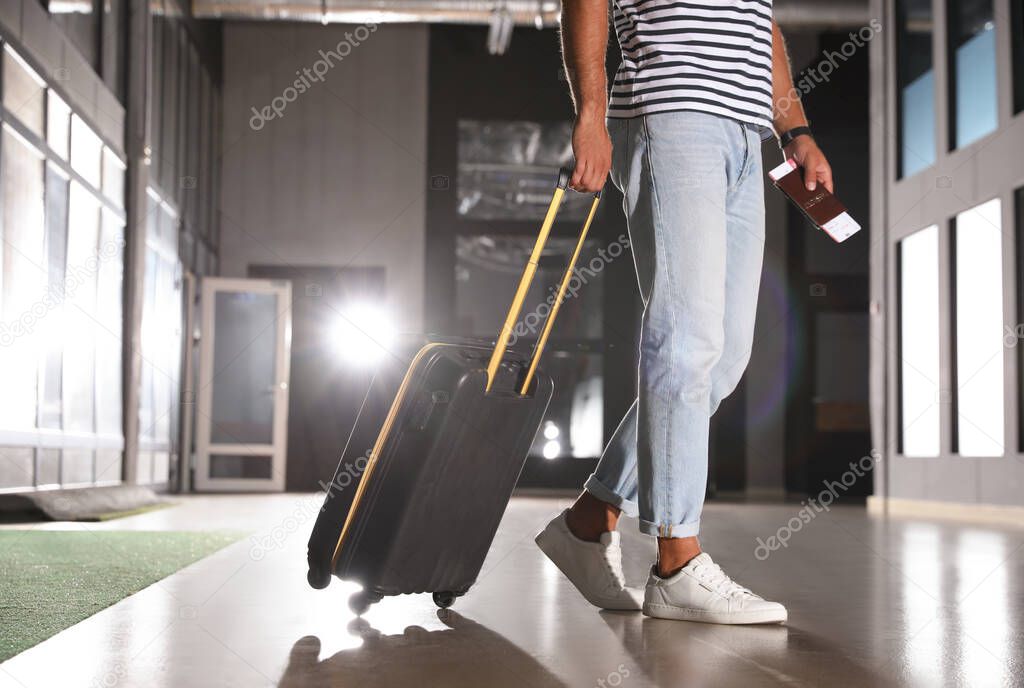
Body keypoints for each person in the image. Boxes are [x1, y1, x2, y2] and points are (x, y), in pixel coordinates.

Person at [535, 0, 834, 624]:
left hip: (750, 135)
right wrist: (591, 112)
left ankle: (589, 522)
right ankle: (676, 561)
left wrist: (796, 131)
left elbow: (763, 29)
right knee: (685, 337)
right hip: (673, 112)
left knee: (722, 357)